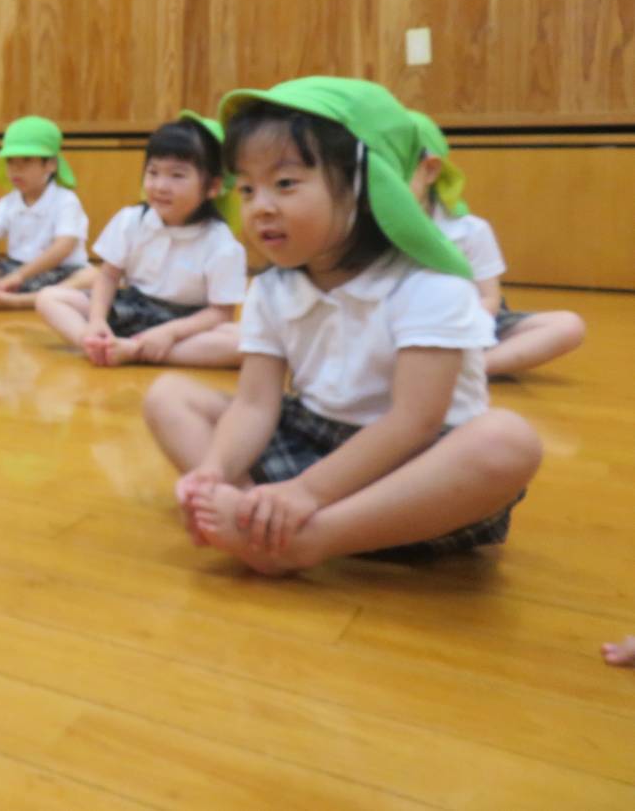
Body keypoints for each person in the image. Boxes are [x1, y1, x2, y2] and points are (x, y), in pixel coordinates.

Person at [143, 77, 543, 572]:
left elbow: (415, 422)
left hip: (411, 470)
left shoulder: (429, 285)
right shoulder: (271, 288)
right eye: (246, 188)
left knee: (507, 441)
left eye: (285, 184)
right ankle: (256, 518)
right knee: (168, 396)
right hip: (315, 437)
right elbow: (254, 404)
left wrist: (307, 492)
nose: (260, 206)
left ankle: (311, 539)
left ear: (366, 186)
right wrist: (214, 469)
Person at [35, 113, 244, 367]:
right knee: (49, 297)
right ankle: (95, 344)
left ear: (212, 187)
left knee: (242, 341)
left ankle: (134, 350)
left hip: (184, 325)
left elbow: (221, 313)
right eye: (153, 172)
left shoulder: (221, 243)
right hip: (129, 309)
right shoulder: (130, 220)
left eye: (177, 176)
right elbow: (108, 276)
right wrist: (97, 321)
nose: (160, 186)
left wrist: (170, 333)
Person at [408, 111, 585, 377]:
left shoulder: (470, 230)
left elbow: (489, 299)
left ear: (430, 170)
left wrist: (456, 332)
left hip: (467, 322)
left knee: (568, 325)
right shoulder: (365, 226)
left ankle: (469, 370)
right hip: (402, 326)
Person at [0, 116, 92, 311]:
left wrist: (19, 276)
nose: (16, 170)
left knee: (92, 277)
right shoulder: (7, 202)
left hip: (58, 272)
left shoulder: (66, 200)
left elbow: (63, 247)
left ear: (51, 164)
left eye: (26, 161)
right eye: (11, 162)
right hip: (15, 269)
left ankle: (18, 300)